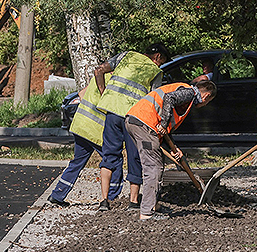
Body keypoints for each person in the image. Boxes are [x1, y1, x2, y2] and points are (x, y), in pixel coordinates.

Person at [94, 43, 170, 211]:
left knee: (109, 154)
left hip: (112, 112)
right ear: (157, 57)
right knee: (134, 156)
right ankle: (133, 202)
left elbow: (98, 70)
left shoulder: (126, 56)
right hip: (134, 117)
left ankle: (104, 201)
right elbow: (155, 99)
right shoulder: (156, 71)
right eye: (162, 60)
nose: (160, 64)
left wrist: (104, 93)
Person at [126, 80, 217, 220]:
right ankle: (146, 213)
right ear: (206, 96)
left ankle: (153, 205)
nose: (204, 104)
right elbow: (169, 98)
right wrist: (163, 123)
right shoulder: (190, 93)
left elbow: (167, 128)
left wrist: (174, 148)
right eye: (208, 102)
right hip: (145, 123)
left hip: (137, 121)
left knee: (157, 162)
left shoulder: (186, 97)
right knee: (153, 167)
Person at [48, 74, 124, 206]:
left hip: (81, 126)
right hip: (96, 130)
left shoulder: (101, 76)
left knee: (76, 162)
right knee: (114, 161)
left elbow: (81, 94)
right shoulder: (118, 82)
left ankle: (57, 194)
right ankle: (112, 198)